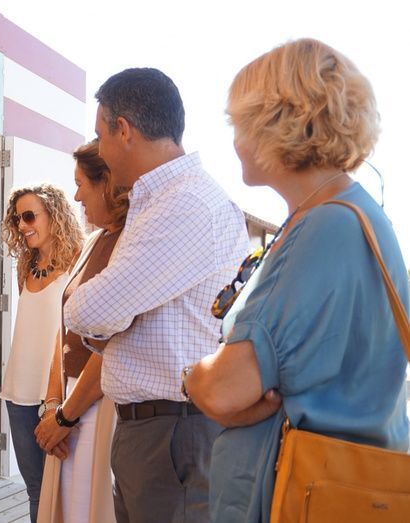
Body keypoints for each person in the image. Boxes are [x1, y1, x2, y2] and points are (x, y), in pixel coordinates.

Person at [183, 38, 410, 522]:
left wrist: (193, 379)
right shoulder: (351, 216)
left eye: (238, 122)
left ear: (277, 121)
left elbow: (224, 389)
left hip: (296, 499)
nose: (234, 139)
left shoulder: (325, 227)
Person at [63, 68, 249, 522]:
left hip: (171, 432)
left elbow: (89, 309)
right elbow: (108, 313)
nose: (102, 150)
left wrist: (105, 318)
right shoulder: (166, 201)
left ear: (123, 130)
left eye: (101, 134)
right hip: (159, 430)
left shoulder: (185, 205)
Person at [34, 141, 128, 523]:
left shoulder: (130, 243)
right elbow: (65, 327)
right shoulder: (92, 242)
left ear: (106, 182)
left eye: (81, 184)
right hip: (70, 399)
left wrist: (65, 418)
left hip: (99, 402)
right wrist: (52, 403)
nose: (75, 195)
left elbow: (112, 345)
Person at [0, 183, 84, 523]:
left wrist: (58, 400)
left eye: (30, 216)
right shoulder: (26, 264)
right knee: (35, 488)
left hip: (60, 395)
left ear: (55, 215)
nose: (22, 226)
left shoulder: (78, 261)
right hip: (18, 391)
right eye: (18, 218)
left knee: (66, 487)